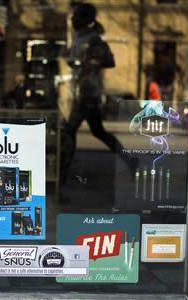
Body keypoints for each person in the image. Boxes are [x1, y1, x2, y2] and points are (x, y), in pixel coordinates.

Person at [61, 2, 136, 186]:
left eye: (77, 16)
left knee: (70, 132)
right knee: (98, 131)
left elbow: (109, 61)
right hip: (81, 91)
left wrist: (91, 62)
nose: (72, 19)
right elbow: (76, 61)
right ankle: (130, 160)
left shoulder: (93, 40)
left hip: (88, 93)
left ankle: (62, 174)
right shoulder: (79, 37)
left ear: (86, 20)